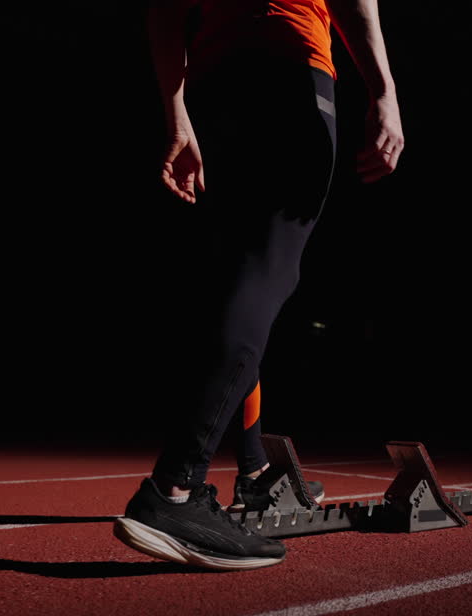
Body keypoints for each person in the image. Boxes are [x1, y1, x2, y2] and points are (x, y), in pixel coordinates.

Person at [113, 0, 404, 570]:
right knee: (266, 273)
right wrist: (384, 92)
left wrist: (177, 115)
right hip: (290, 68)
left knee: (239, 277)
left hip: (217, 84)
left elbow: (163, 12)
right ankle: (174, 490)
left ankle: (255, 471)